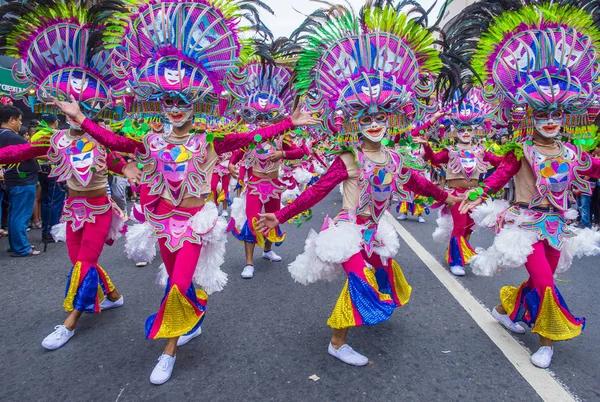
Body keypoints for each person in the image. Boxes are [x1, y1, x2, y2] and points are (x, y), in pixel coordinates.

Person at [51, 0, 321, 385]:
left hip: (195, 224)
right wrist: (80, 118)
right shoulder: (149, 141)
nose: (175, 109)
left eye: (182, 102)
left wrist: (286, 124)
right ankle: (192, 316)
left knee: (177, 284)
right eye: (169, 102)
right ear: (160, 104)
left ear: (195, 104)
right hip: (164, 223)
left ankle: (169, 349)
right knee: (182, 281)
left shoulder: (210, 142)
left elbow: (249, 135)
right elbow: (113, 141)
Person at [258, 1, 460, 366]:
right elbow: (317, 191)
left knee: (379, 274)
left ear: (392, 116)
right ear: (352, 121)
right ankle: (338, 342)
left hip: (375, 232)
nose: (374, 122)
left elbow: (421, 186)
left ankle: (369, 312)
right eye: (365, 116)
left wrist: (450, 197)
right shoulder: (349, 159)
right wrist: (281, 216)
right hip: (348, 231)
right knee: (361, 279)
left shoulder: (396, 159)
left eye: (381, 115)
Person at [451, 0, 600, 368]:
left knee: (539, 280)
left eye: (556, 113)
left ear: (566, 115)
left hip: (557, 228)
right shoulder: (522, 150)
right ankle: (547, 341)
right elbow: (500, 175)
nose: (550, 120)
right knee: (546, 284)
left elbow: (592, 169)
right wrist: (477, 193)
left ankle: (505, 310)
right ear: (529, 115)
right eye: (543, 113)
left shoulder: (571, 151)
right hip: (525, 226)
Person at [0, 0, 143, 351]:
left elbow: (118, 159)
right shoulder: (54, 139)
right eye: (64, 104)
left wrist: (127, 167)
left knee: (84, 263)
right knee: (82, 262)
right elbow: (19, 152)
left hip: (98, 210)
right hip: (71, 213)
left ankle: (70, 321)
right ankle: (113, 294)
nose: (68, 109)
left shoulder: (99, 139)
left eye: (76, 105)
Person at [225, 38, 308, 279]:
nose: (262, 122)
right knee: (252, 222)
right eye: (258, 118)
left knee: (271, 219)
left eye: (267, 118)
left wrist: (282, 153)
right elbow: (239, 150)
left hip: (274, 185)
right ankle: (249, 262)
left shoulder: (282, 135)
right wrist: (232, 163)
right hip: (254, 185)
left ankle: (268, 251)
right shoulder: (251, 136)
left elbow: (303, 152)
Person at [414, 89, 502, 276]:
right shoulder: (451, 150)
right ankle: (456, 261)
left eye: (469, 130)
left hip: (475, 196)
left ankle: (458, 253)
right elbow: (435, 160)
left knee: (469, 227)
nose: (466, 133)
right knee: (459, 226)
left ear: (475, 131)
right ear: (455, 131)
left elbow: (500, 163)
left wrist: (515, 153)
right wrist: (426, 145)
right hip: (456, 195)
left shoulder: (481, 151)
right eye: (462, 130)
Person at [0, 105, 40, 256]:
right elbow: (34, 152)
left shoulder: (3, 135)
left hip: (12, 180)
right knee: (21, 215)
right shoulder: (12, 137)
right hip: (22, 181)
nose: (20, 125)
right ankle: (22, 248)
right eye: (19, 120)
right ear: (11, 120)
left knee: (14, 214)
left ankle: (16, 245)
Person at [37, 114, 66, 242]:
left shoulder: (36, 135)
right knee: (55, 201)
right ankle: (53, 231)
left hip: (40, 170)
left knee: (45, 201)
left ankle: (46, 230)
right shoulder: (56, 135)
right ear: (54, 122)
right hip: (54, 170)